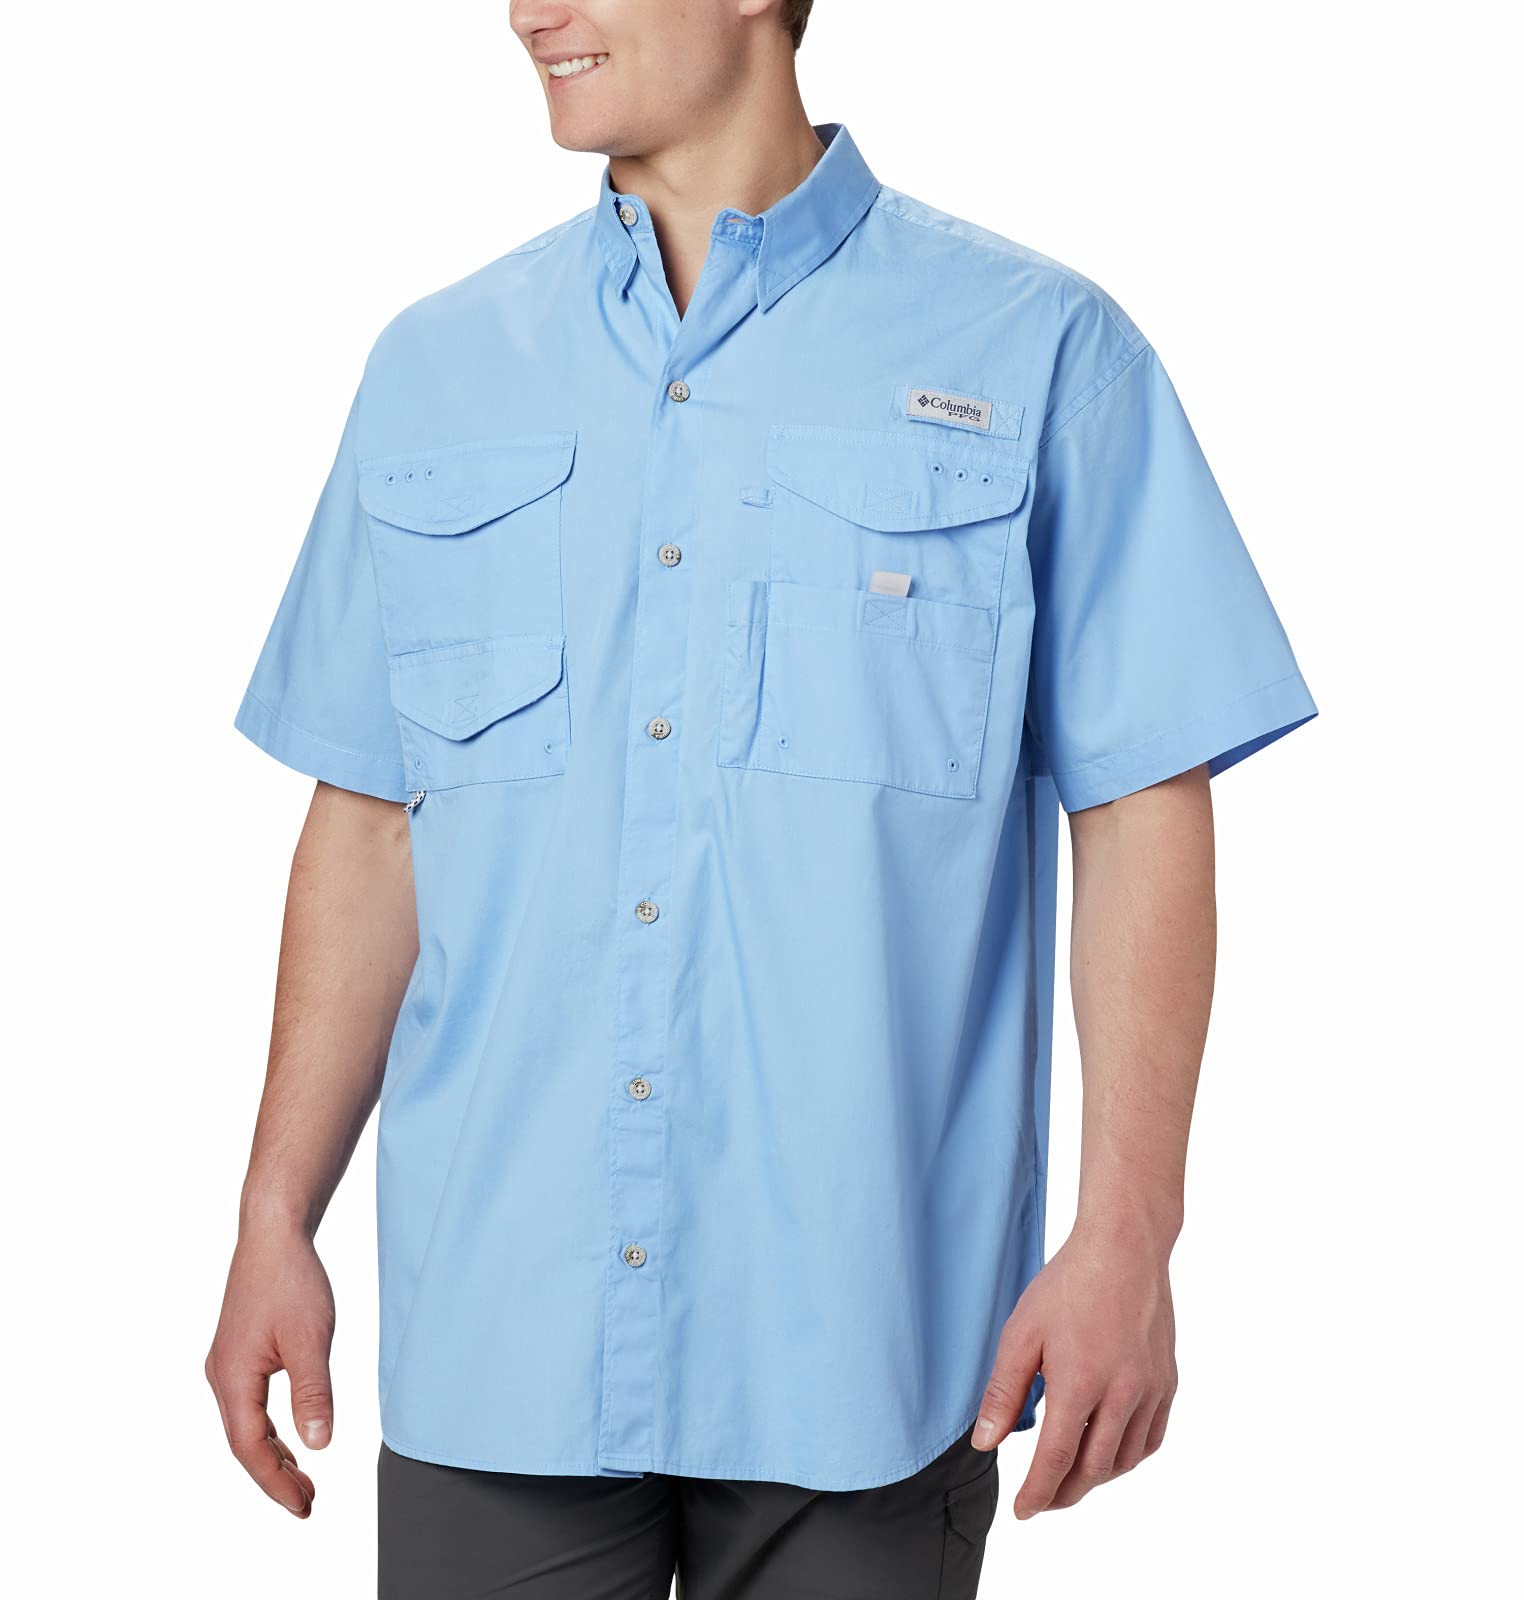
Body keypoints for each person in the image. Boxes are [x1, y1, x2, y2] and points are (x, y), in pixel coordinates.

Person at [207, 1, 1317, 1594]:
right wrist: (273, 1214)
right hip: (498, 1328)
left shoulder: (1041, 350)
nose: (527, 10)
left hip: (867, 1344)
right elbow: (375, 823)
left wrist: (1130, 1235)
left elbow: (1143, 803)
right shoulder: (433, 370)